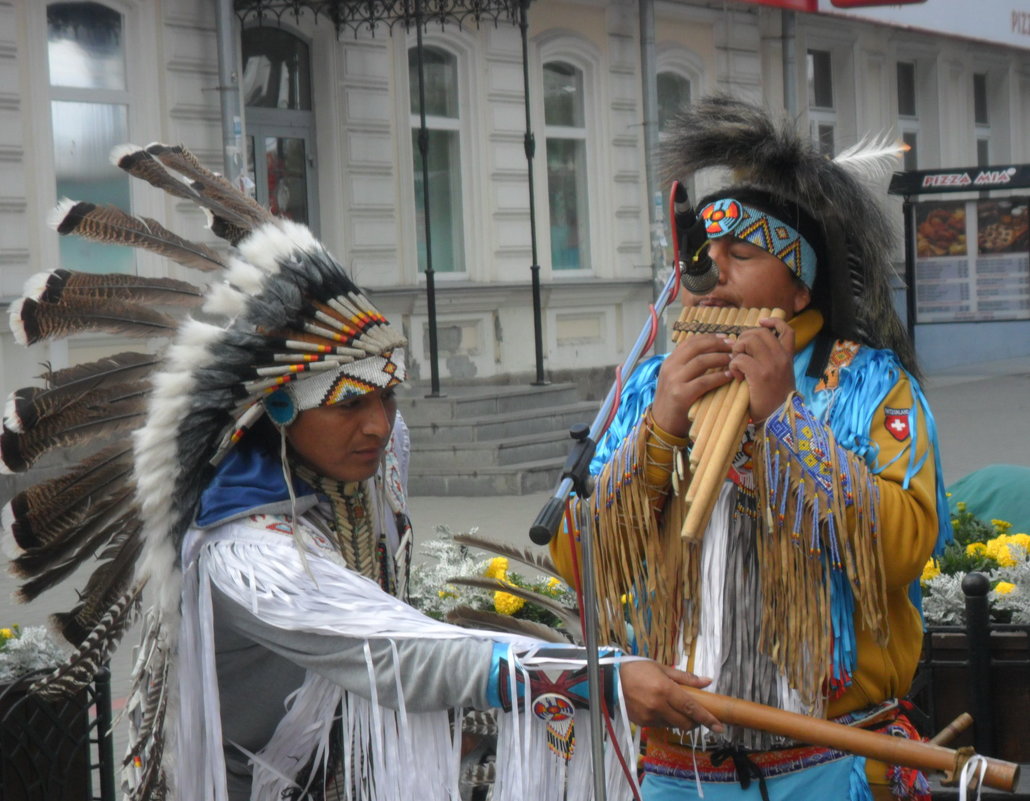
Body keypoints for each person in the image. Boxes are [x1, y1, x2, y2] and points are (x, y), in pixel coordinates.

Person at [2, 143, 719, 801]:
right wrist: (594, 674)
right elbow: (390, 651)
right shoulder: (247, 556)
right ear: (275, 406)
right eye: (350, 403)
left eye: (389, 393)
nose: (377, 422)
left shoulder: (362, 463)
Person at [550, 95, 953, 801]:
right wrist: (663, 424)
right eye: (707, 256)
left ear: (798, 287)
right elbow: (580, 558)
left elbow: (899, 551)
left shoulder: (867, 384)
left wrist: (782, 419)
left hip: (828, 757)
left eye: (743, 254)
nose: (713, 275)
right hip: (679, 764)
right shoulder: (654, 383)